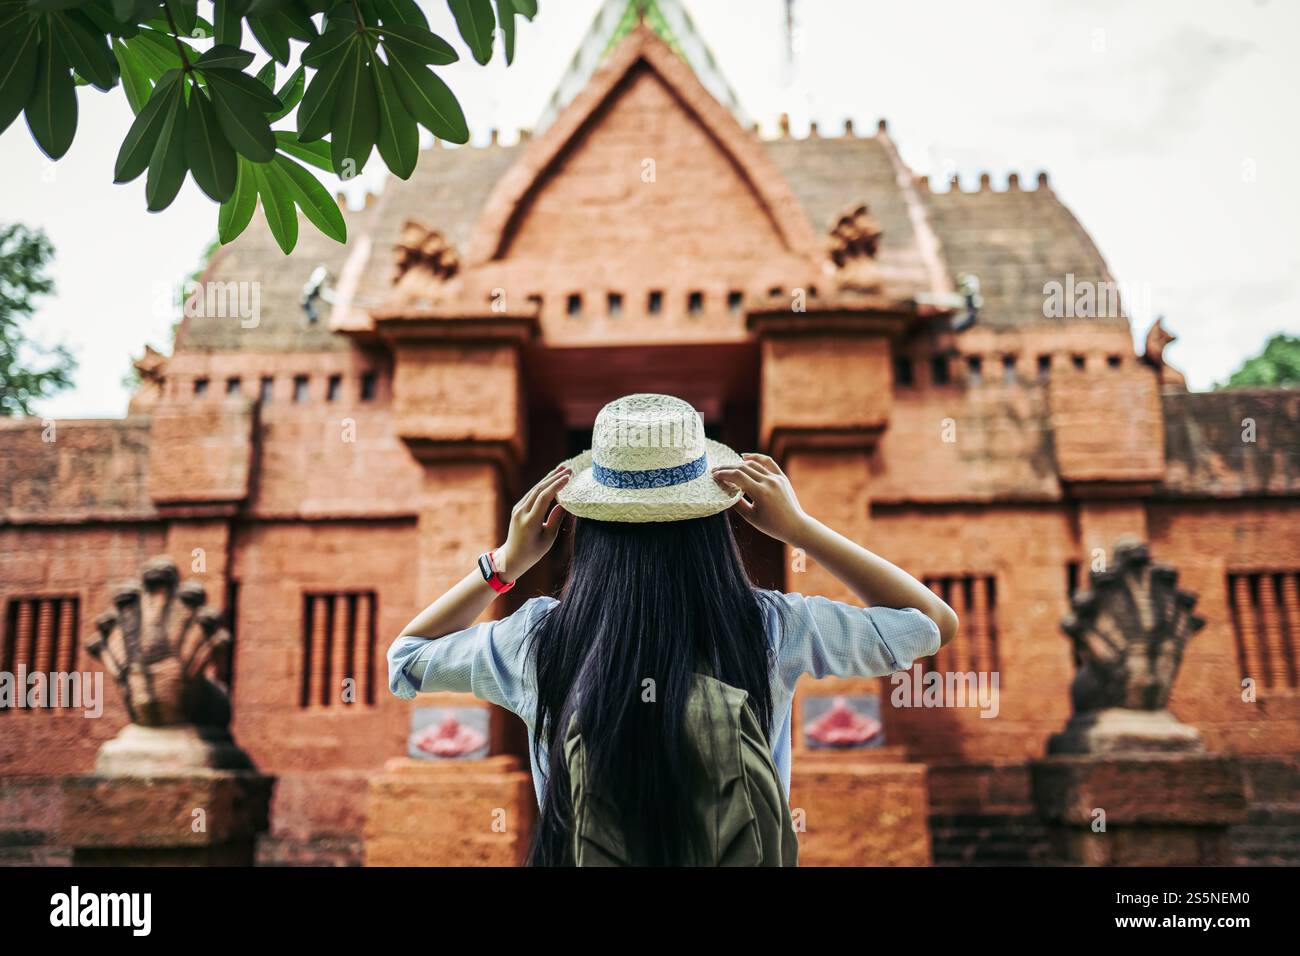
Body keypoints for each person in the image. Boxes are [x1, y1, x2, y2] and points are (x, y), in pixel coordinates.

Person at [389, 393, 958, 866]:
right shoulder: (770, 628)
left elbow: (406, 658)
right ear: (715, 518)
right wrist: (801, 530)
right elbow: (929, 623)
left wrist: (506, 566)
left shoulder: (536, 642)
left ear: (588, 525)